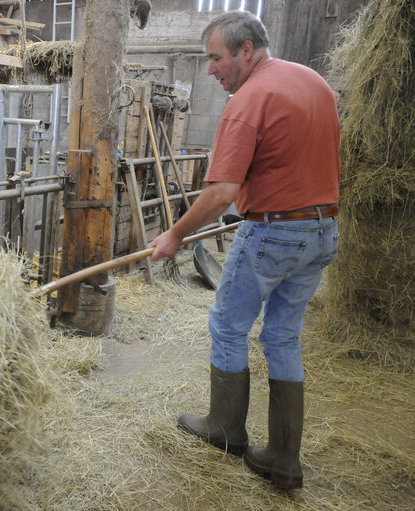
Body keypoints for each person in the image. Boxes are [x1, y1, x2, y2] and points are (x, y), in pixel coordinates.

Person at [148, 11, 340, 490]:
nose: (211, 69)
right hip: (321, 231)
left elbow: (220, 193)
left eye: (215, 58)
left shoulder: (249, 99)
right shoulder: (315, 83)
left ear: (246, 50)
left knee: (227, 326)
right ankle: (282, 459)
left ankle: (226, 428)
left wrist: (173, 235)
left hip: (273, 232)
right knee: (282, 336)